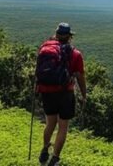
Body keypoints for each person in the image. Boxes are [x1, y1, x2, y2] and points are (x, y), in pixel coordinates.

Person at [35, 23, 87, 166]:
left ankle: (45, 149)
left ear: (56, 35)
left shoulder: (45, 48)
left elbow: (39, 70)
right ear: (69, 37)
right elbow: (80, 76)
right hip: (65, 93)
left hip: (47, 91)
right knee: (63, 127)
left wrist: (37, 87)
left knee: (50, 123)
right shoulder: (75, 54)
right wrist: (84, 94)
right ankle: (55, 158)